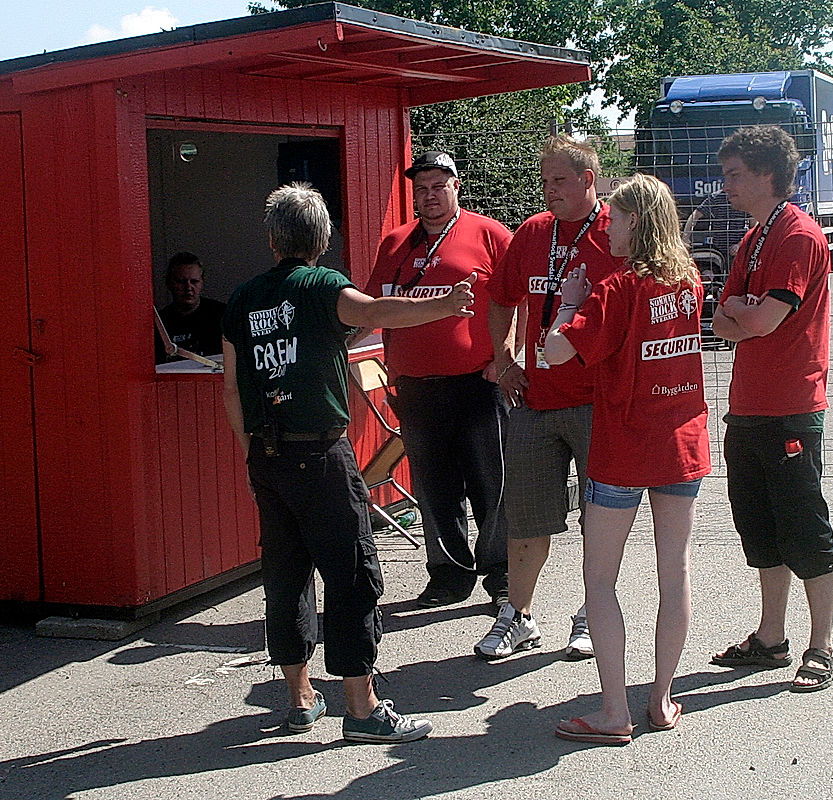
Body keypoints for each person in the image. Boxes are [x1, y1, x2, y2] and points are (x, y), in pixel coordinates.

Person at [221, 182, 476, 743]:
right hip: (320, 453)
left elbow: (233, 389)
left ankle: (299, 699)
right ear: (322, 238)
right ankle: (361, 711)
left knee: (286, 577)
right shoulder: (322, 286)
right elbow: (380, 311)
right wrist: (447, 303)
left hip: (267, 455)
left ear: (271, 239)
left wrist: (251, 455)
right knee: (353, 574)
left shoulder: (241, 300)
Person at [544, 174, 710, 745]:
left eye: (613, 217)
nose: (606, 225)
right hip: (680, 443)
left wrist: (568, 303)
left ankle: (615, 712)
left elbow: (556, 350)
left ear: (635, 221)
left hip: (621, 449)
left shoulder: (615, 289)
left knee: (599, 580)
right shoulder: (689, 281)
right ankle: (660, 698)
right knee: (675, 574)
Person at [476, 135, 625, 661]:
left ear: (588, 180)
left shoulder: (618, 231)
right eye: (544, 180)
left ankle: (590, 613)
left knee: (598, 516)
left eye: (558, 180)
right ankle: (517, 616)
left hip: (596, 400)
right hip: (535, 401)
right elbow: (500, 298)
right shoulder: (533, 232)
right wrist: (504, 358)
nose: (549, 190)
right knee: (526, 516)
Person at [708, 125, 833, 693]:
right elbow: (721, 323)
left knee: (804, 526)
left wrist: (741, 310)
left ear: (767, 173)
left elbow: (759, 322)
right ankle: (771, 638)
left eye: (735, 173)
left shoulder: (797, 235)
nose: (726, 184)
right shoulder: (751, 238)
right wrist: (740, 309)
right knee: (760, 527)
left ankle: (822, 645)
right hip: (748, 408)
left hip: (790, 408)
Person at [365, 151, 511, 610]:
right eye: (421, 188)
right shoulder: (395, 244)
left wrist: (508, 358)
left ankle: (502, 576)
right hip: (417, 387)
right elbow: (372, 306)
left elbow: (521, 299)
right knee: (434, 488)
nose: (429, 196)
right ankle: (448, 576)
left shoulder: (488, 234)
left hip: (478, 382)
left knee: (492, 484)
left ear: (456, 186)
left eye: (438, 186)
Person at [155, 252, 226, 363]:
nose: (188, 287)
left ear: (202, 282)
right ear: (169, 283)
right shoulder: (159, 324)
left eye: (194, 281)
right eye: (181, 282)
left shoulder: (223, 315)